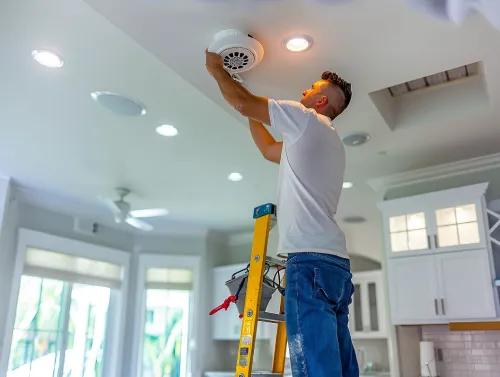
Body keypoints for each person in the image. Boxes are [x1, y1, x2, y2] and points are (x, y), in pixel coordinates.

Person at [205, 49, 358, 377]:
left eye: (312, 89)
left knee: (316, 369)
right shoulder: (324, 142)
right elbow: (266, 149)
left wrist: (217, 69)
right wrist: (249, 107)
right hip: (335, 268)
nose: (304, 91)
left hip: (311, 262)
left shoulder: (306, 120)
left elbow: (243, 102)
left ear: (320, 103)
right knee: (338, 368)